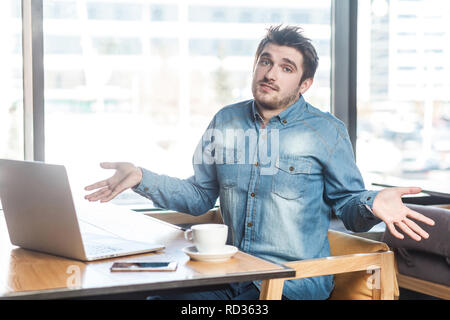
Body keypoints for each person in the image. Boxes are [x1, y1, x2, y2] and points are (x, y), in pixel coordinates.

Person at [84, 25, 435, 300]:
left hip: (294, 284)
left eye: (286, 67)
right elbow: (199, 195)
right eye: (265, 61)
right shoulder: (225, 121)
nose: (271, 73)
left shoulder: (327, 132)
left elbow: (350, 209)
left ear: (304, 83)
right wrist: (142, 177)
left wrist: (372, 201)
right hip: (232, 273)